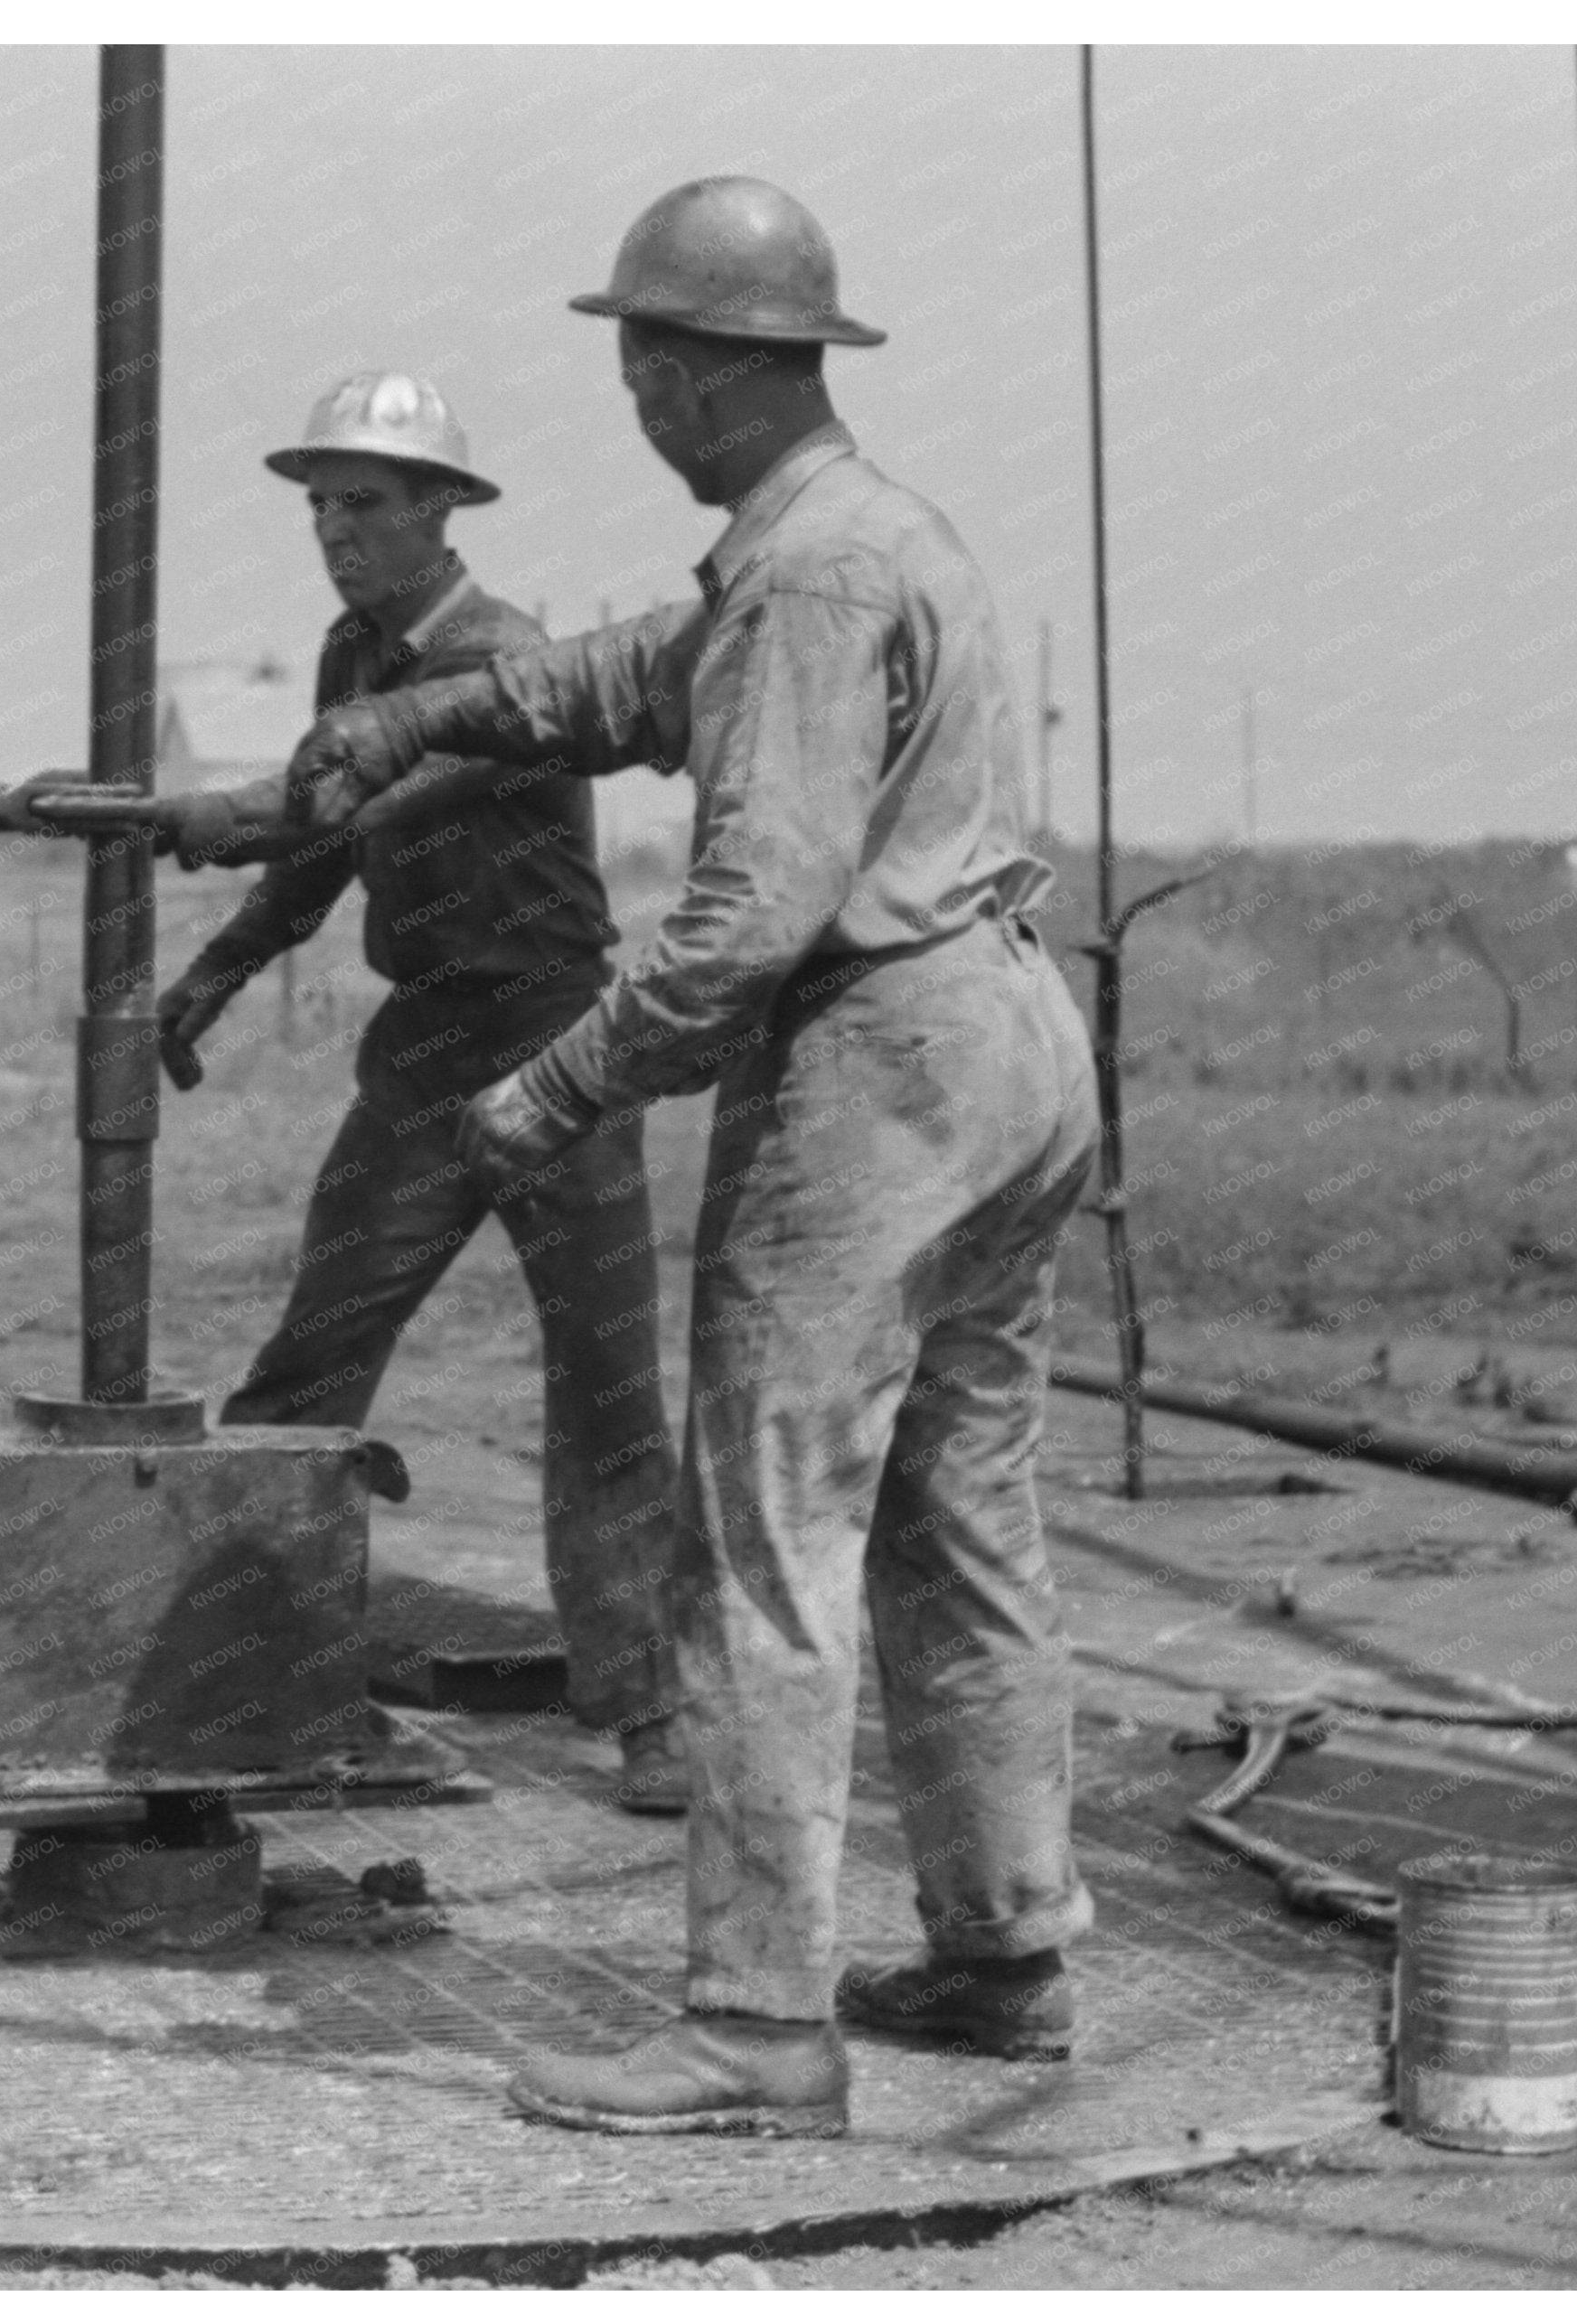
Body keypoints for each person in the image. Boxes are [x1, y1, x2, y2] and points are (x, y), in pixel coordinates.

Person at [276, 181, 1103, 2135]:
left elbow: (746, 919)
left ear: (686, 374)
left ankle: (752, 2024)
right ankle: (1003, 1953)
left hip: (882, 1067)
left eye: (639, 369)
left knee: (760, 1536)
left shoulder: (802, 581)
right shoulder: (852, 536)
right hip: (1008, 1048)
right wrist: (415, 722)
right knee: (959, 1519)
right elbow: (622, 680)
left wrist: (553, 1089)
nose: (634, 402)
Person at [40, 374, 691, 1810]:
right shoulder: (351, 656)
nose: (336, 532)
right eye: (321, 507)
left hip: (553, 1041)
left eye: (367, 505)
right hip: (422, 1047)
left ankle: (648, 1705)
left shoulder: (499, 660)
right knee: (311, 1364)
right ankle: (232, 1666)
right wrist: (214, 971)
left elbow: (363, 801)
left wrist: (190, 815)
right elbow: (325, 852)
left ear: (442, 509)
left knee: (604, 1387)